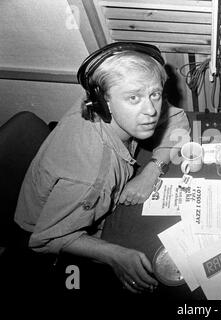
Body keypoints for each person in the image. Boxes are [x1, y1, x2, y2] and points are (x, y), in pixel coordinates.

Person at [11, 42, 190, 294]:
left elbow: (176, 120)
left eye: (155, 94)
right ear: (103, 102)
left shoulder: (104, 101)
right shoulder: (93, 175)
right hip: (57, 234)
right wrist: (115, 255)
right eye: (133, 98)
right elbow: (44, 239)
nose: (150, 110)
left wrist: (152, 169)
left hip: (89, 201)